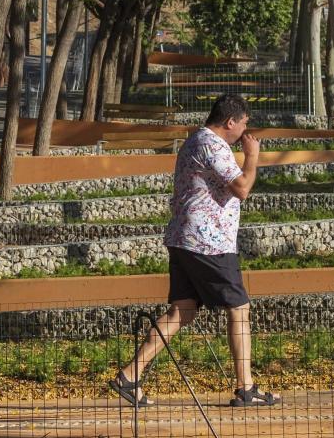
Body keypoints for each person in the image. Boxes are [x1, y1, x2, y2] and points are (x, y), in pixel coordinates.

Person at [108, 93, 281, 407]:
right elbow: (242, 188)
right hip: (208, 242)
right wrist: (252, 156)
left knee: (182, 310)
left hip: (184, 238)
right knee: (239, 309)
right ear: (231, 121)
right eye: (244, 123)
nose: (245, 130)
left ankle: (129, 376)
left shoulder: (194, 140)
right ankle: (246, 388)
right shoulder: (213, 146)